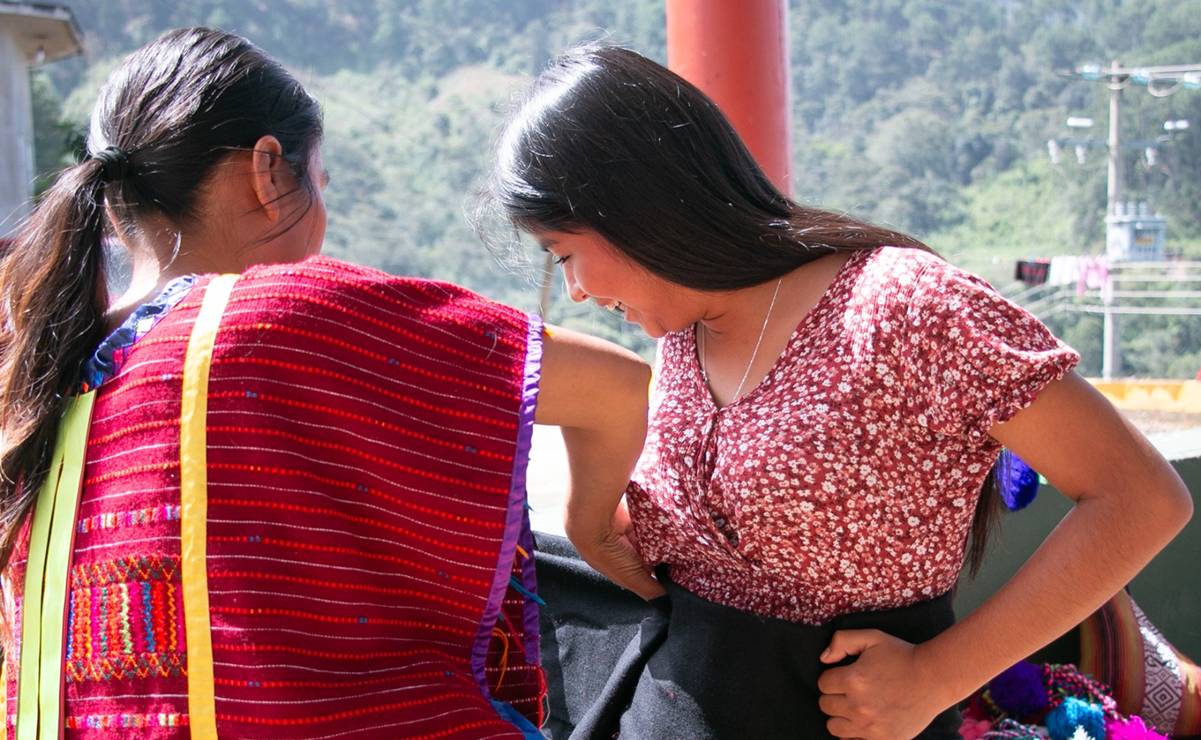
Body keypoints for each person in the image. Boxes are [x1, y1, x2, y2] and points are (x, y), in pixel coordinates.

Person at [488, 45, 1194, 739]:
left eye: (564, 252)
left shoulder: (903, 305)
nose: (575, 290)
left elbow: (1139, 498)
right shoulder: (681, 334)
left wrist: (937, 678)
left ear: (633, 207)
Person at [0, 29, 655, 739]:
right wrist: (593, 528)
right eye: (322, 181)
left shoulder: (43, 369)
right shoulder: (279, 313)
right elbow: (617, 388)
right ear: (268, 171)